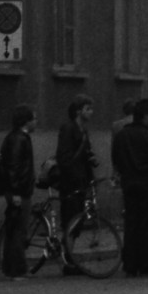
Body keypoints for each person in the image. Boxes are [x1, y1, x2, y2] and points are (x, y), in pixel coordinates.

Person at [111, 98, 148, 276]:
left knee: (131, 222)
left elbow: (116, 158)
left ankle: (131, 263)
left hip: (129, 183)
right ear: (146, 116)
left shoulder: (122, 135)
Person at [52, 95, 97, 276]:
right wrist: (75, 171)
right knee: (70, 221)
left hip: (81, 181)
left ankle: (70, 258)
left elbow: (85, 152)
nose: (91, 112)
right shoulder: (68, 129)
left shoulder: (83, 130)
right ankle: (67, 261)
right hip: (70, 183)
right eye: (88, 109)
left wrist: (90, 159)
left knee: (76, 222)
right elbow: (63, 157)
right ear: (79, 111)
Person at [0, 105, 37, 278]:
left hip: (17, 189)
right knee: (19, 230)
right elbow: (14, 167)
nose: (36, 122)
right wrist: (16, 192)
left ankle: (10, 267)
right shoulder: (20, 139)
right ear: (26, 121)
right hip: (19, 191)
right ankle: (17, 268)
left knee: (14, 228)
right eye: (34, 118)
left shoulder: (16, 137)